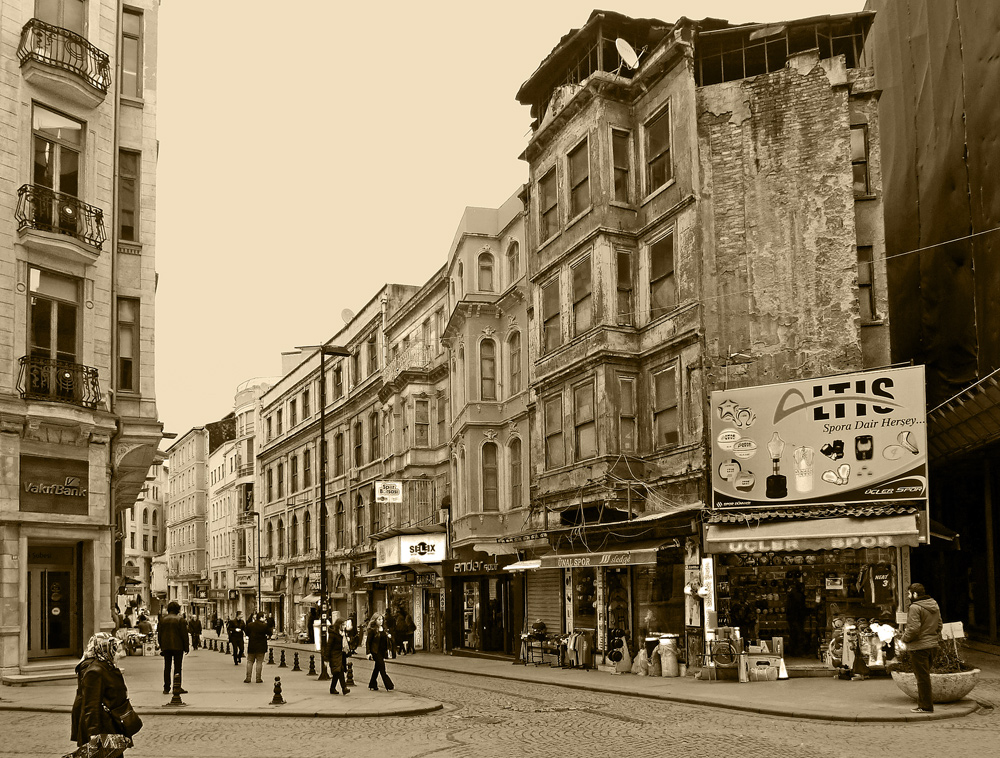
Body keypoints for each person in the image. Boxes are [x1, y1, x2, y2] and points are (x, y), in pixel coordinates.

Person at [68, 633, 133, 758]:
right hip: (103, 724)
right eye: (116, 650)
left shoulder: (107, 666)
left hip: (110, 721)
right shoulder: (94, 670)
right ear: (105, 650)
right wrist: (93, 733)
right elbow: (91, 704)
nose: (120, 654)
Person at [899, 582, 943, 713]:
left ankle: (925, 706)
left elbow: (913, 629)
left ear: (915, 594)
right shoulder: (934, 604)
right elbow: (939, 625)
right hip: (932, 646)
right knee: (925, 676)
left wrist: (904, 639)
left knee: (922, 678)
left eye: (909, 593)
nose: (908, 596)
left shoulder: (915, 607)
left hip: (919, 647)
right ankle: (925, 705)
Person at [157, 601, 189, 695]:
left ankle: (166, 687)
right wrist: (186, 647)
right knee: (177, 667)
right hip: (178, 647)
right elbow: (184, 635)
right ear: (178, 609)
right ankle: (177, 687)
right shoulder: (180, 620)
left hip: (166, 647)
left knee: (167, 667)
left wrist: (161, 646)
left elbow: (160, 635)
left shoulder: (162, 620)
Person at [365, 615, 394, 692]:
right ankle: (389, 685)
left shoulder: (384, 629)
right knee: (382, 668)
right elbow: (368, 642)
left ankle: (372, 684)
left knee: (377, 668)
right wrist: (368, 653)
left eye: (382, 619)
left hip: (382, 651)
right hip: (375, 651)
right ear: (375, 620)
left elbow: (385, 640)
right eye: (379, 619)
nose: (381, 621)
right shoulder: (372, 630)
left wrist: (389, 636)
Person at [323, 618, 351, 695]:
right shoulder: (333, 634)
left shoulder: (343, 633)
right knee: (339, 670)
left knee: (336, 672)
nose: (344, 626)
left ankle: (332, 688)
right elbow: (329, 646)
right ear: (339, 625)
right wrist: (326, 658)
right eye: (343, 625)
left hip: (341, 655)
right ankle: (344, 688)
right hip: (334, 655)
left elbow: (345, 645)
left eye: (345, 625)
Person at [244, 612, 270, 684]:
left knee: (250, 662)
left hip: (252, 645)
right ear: (261, 618)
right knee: (259, 662)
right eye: (264, 617)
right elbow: (269, 633)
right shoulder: (264, 626)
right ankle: (258, 678)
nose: (265, 618)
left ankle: (248, 678)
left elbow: (247, 633)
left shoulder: (250, 625)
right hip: (261, 646)